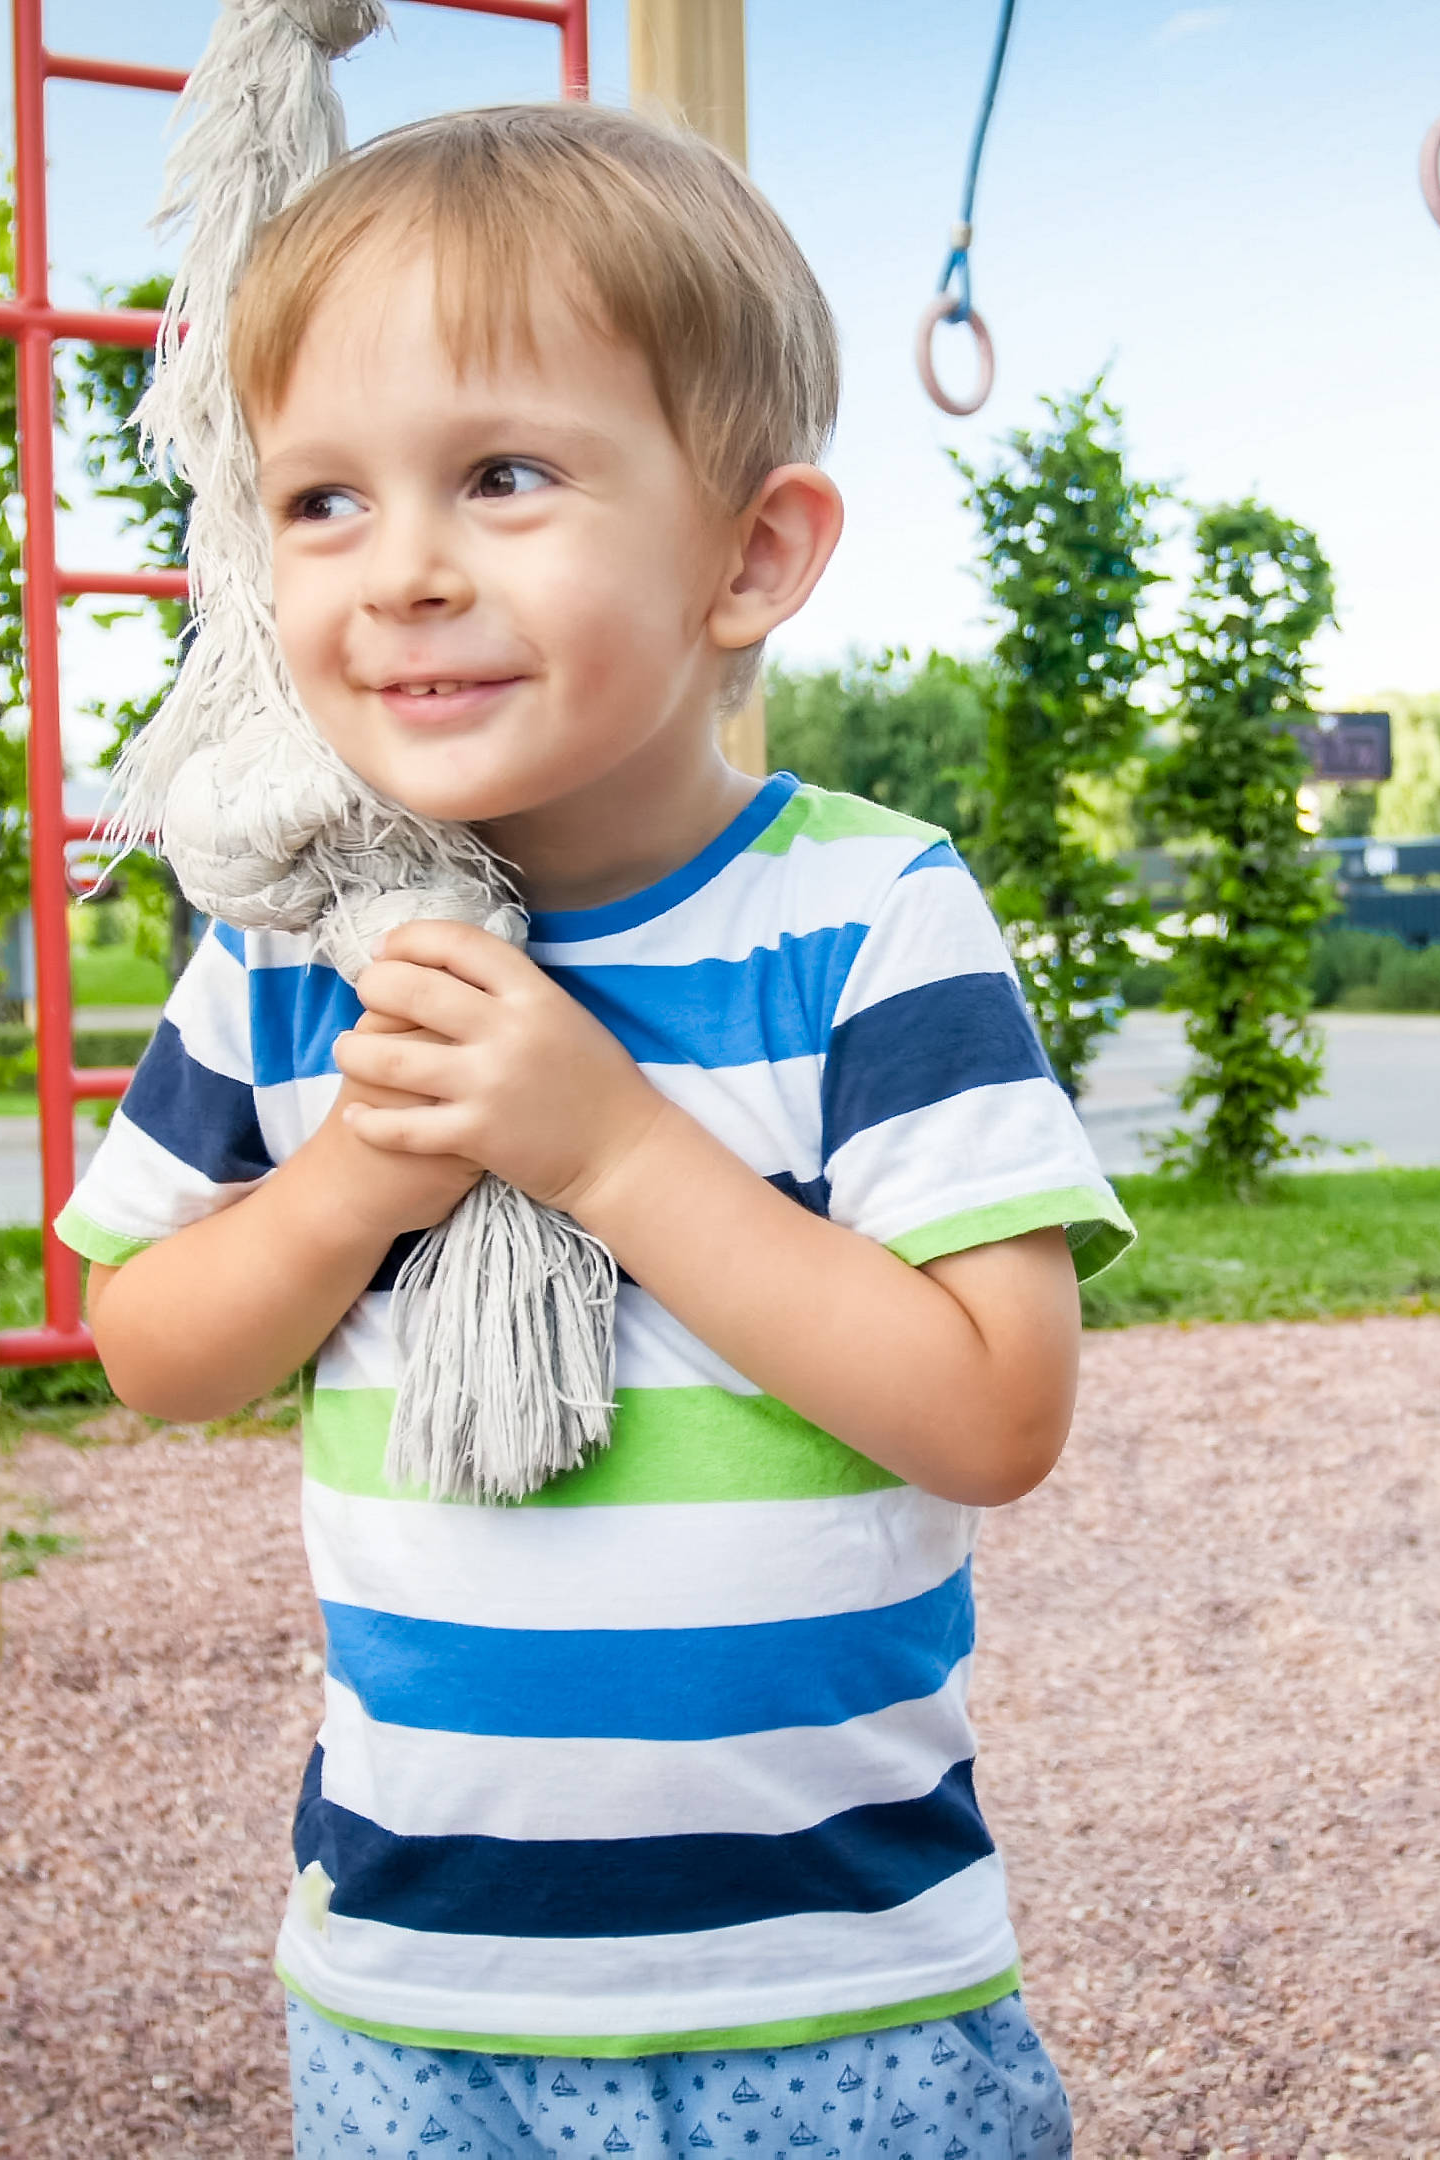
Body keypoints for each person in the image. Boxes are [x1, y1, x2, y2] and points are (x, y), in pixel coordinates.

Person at [59, 101, 1127, 2160]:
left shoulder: (867, 920)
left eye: (505, 476)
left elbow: (996, 1414)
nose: (406, 573)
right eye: (323, 503)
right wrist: (371, 1167)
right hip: (417, 1999)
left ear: (753, 556)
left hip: (835, 1989)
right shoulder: (293, 957)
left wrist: (608, 1147)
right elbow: (150, 1345)